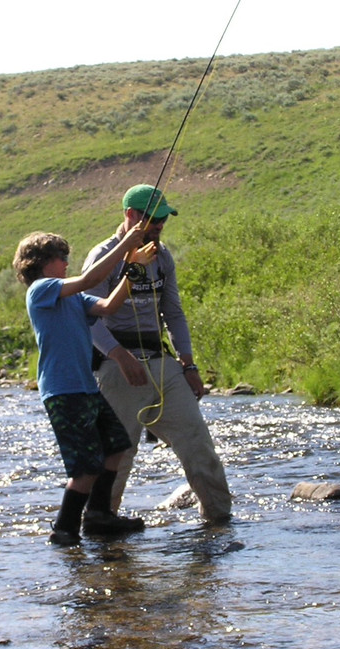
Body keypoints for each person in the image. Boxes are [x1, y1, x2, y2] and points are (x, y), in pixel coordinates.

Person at [82, 184, 232, 523]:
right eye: (155, 218)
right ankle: (101, 523)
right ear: (131, 216)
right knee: (119, 453)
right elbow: (88, 317)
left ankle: (219, 521)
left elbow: (174, 314)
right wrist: (119, 355)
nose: (161, 225)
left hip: (162, 363)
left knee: (199, 446)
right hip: (117, 366)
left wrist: (189, 364)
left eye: (165, 218)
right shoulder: (102, 256)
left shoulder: (162, 257)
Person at [14, 224, 158, 546]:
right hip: (63, 391)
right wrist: (124, 247)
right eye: (60, 257)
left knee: (117, 446)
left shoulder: (73, 297)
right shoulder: (41, 290)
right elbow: (92, 278)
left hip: (86, 388)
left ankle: (98, 515)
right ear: (40, 262)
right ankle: (64, 529)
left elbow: (108, 306)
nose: (66, 261)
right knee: (86, 467)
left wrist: (133, 270)